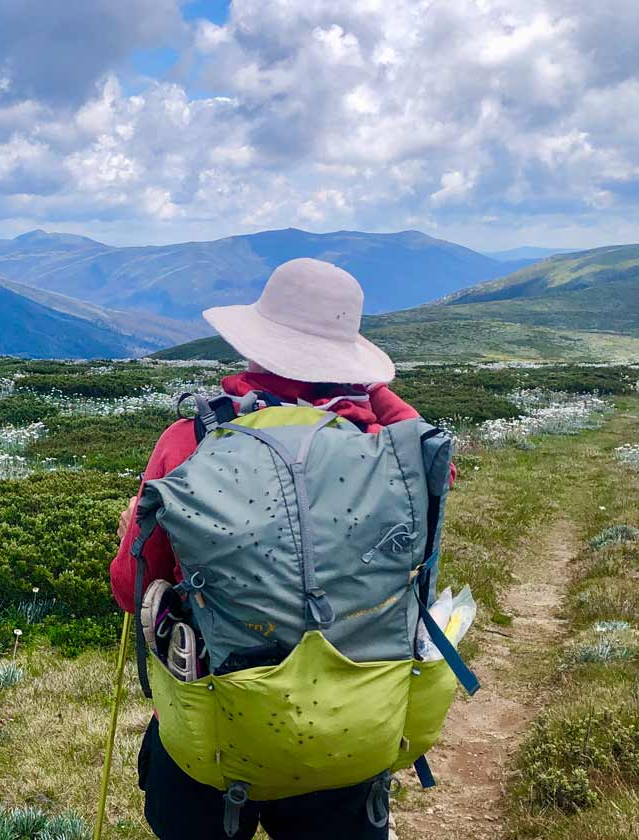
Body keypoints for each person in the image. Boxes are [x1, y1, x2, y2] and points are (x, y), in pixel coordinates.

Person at [111, 257, 429, 840]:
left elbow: (133, 591)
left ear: (256, 347)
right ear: (348, 363)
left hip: (212, 726)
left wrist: (134, 531)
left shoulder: (189, 442)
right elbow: (433, 457)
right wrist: (372, 394)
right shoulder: (383, 451)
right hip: (346, 726)